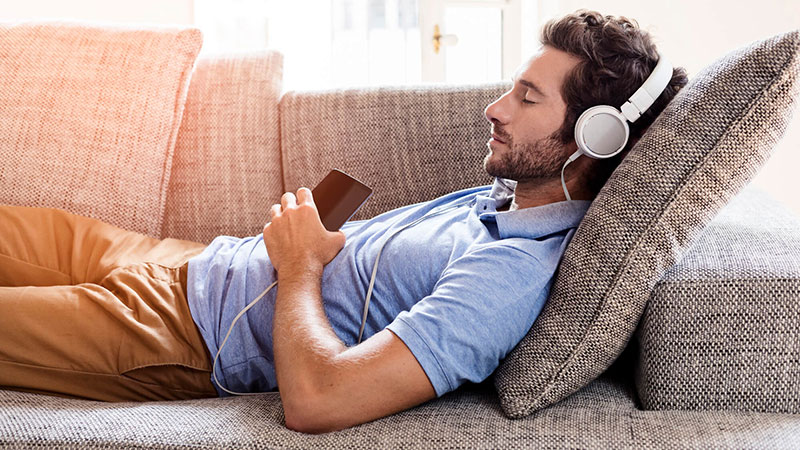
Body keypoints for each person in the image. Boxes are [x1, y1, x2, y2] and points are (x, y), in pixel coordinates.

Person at [0, 10, 687, 433]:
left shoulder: (508, 279)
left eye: (527, 98)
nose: (495, 108)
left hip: (179, 334)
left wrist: (299, 263)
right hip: (182, 258)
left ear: (590, 139)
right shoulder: (504, 201)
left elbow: (320, 401)